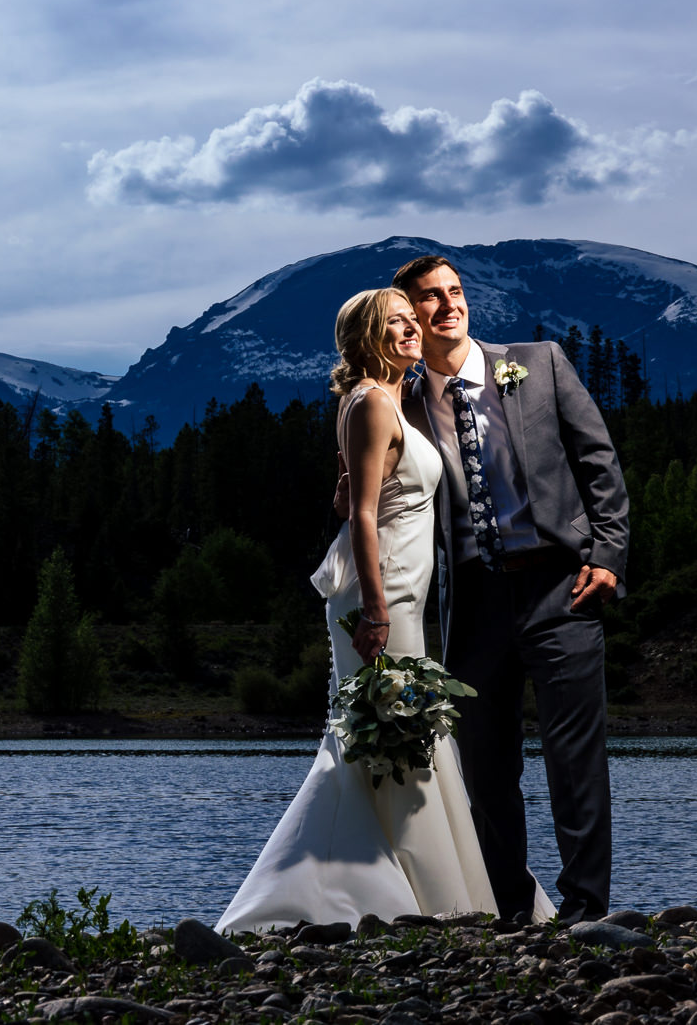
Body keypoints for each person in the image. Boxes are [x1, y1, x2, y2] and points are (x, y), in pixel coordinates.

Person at [215, 288, 513, 933]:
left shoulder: (384, 400)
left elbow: (355, 502)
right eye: (396, 324)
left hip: (402, 588)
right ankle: (364, 895)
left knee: (400, 733)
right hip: (385, 597)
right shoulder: (374, 402)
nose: (412, 331)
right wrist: (376, 609)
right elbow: (369, 518)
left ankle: (418, 888)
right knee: (389, 732)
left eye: (413, 322)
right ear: (367, 338)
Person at [389, 253, 628, 926]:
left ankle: (585, 909)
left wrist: (608, 554)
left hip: (561, 587)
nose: (449, 305)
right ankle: (512, 908)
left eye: (455, 291)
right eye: (430, 298)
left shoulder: (539, 362)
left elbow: (599, 461)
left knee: (575, 761)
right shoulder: (404, 402)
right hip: (471, 604)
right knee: (486, 773)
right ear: (410, 316)